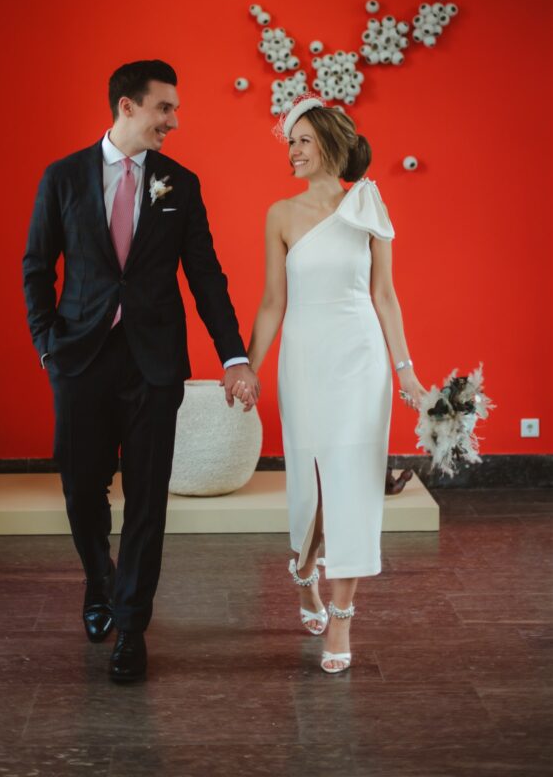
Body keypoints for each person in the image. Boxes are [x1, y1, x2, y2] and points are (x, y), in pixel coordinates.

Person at [22, 60, 259, 683]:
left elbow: (205, 276)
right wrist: (48, 347)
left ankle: (131, 625)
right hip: (80, 360)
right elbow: (36, 267)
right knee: (81, 490)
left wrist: (234, 355)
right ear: (127, 106)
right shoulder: (63, 177)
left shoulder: (181, 184)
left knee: (148, 497)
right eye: (164, 108)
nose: (173, 121)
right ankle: (98, 579)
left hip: (154, 365)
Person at [247, 98, 425, 675]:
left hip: (360, 360)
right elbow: (272, 302)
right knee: (313, 484)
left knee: (354, 484)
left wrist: (405, 370)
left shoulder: (367, 204)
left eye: (303, 139)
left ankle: (343, 618)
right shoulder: (279, 214)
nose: (293, 151)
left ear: (329, 142)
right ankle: (305, 571)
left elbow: (385, 295)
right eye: (290, 142)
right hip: (303, 358)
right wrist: (246, 367)